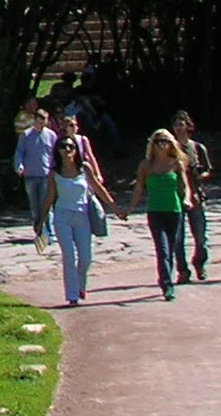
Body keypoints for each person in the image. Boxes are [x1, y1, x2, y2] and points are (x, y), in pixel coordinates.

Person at [42, 137, 116, 307]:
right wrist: (41, 220)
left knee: (85, 257)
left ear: (76, 150)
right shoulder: (54, 173)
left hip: (82, 217)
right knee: (69, 257)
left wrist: (115, 208)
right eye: (63, 147)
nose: (67, 150)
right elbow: (49, 197)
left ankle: (81, 285)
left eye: (71, 146)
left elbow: (98, 188)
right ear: (58, 150)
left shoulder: (84, 169)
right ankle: (72, 295)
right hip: (62, 217)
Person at [131, 127, 195, 301]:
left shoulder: (176, 163)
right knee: (162, 249)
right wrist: (128, 209)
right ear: (153, 144)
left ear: (170, 144)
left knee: (172, 247)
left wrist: (187, 200)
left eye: (165, 142)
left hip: (174, 210)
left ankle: (166, 278)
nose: (161, 145)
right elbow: (138, 189)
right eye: (158, 142)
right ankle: (167, 285)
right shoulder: (146, 165)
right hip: (155, 211)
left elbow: (185, 186)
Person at [172, 112, 210, 283]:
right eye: (176, 125)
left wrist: (200, 174)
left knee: (200, 237)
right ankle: (183, 271)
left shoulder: (197, 148)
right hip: (176, 196)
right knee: (178, 239)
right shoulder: (169, 149)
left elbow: (208, 170)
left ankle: (200, 263)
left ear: (188, 127)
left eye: (181, 124)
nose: (179, 128)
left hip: (195, 196)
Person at [14, 108, 58, 248]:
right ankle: (39, 232)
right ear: (35, 121)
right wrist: (19, 165)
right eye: (39, 122)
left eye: (44, 121)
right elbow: (19, 152)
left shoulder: (51, 135)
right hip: (30, 176)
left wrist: (55, 169)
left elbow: (55, 155)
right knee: (35, 207)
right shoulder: (26, 135)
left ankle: (49, 234)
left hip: (45, 175)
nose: (42, 124)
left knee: (46, 205)